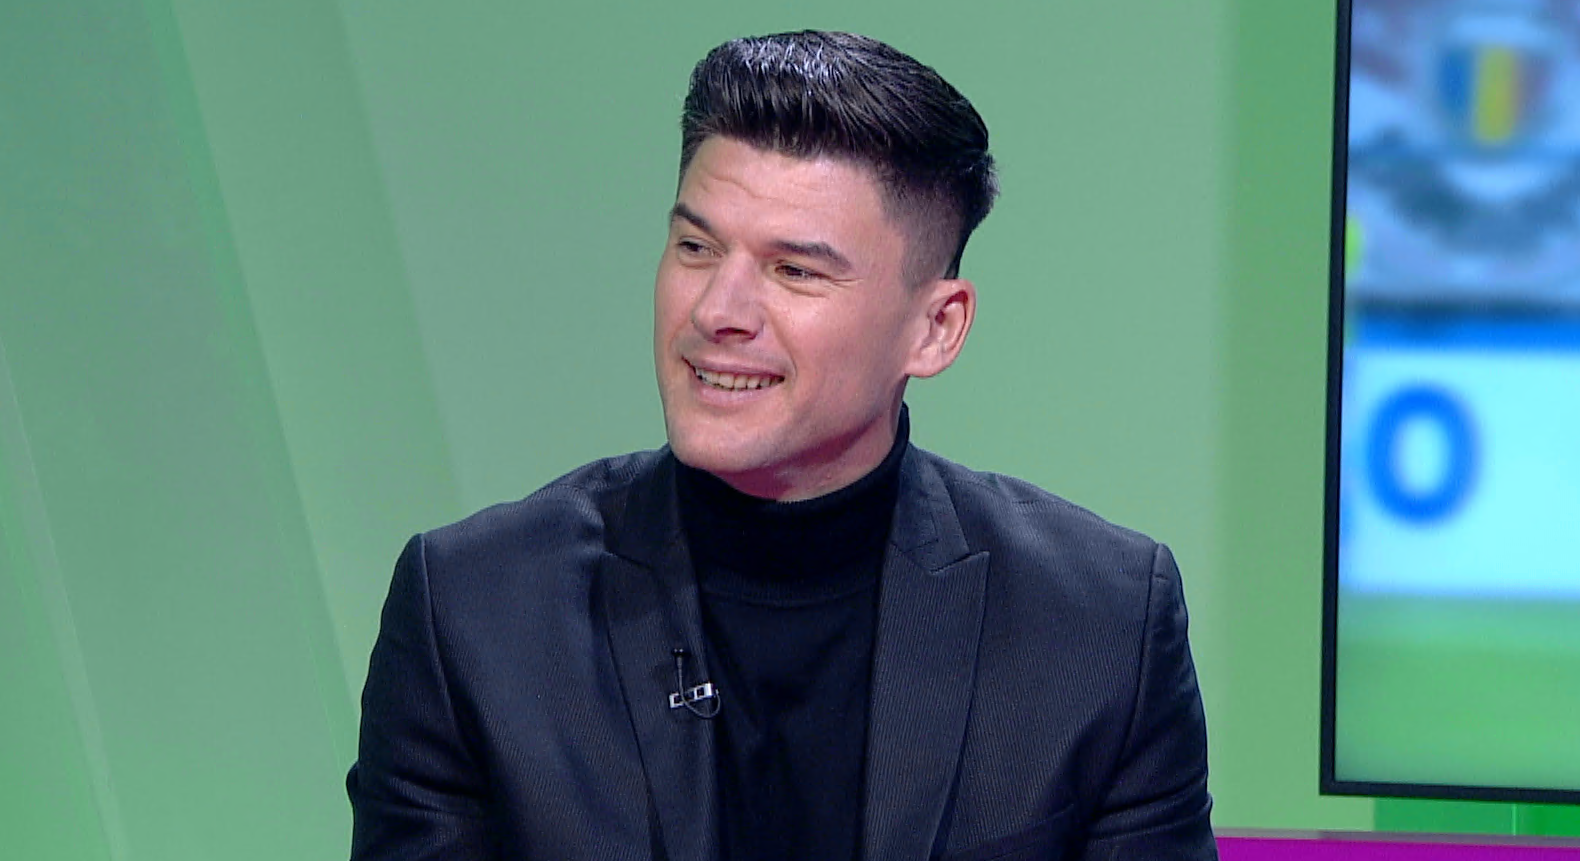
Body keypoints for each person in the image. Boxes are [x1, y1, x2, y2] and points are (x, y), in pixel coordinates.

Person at [347, 30, 1215, 861]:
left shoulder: (1098, 627)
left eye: (794, 270)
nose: (717, 310)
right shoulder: (474, 614)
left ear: (936, 328)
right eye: (696, 247)